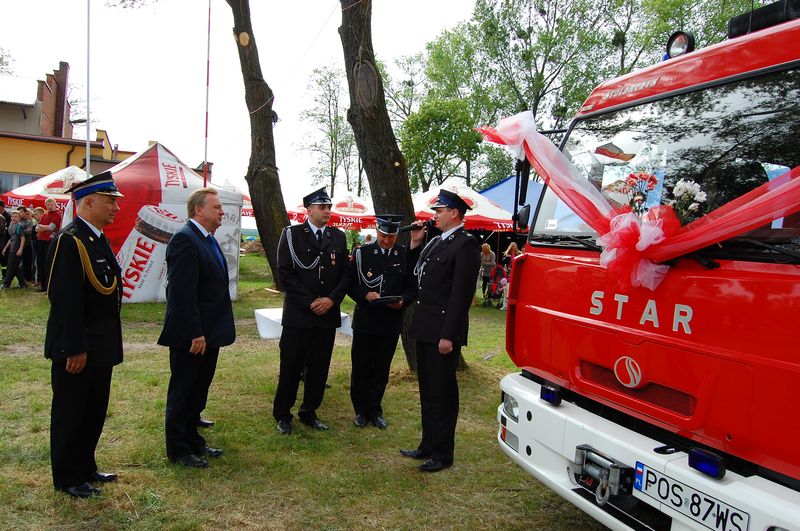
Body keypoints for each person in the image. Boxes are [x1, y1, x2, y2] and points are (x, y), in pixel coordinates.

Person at [44, 171, 124, 498]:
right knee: (71, 412)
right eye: (110, 202)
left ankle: (86, 465)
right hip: (78, 347)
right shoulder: (70, 240)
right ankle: (67, 476)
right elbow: (65, 300)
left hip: (100, 345)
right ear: (88, 202)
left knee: (93, 410)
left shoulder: (96, 238)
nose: (116, 208)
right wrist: (75, 346)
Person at [400, 189, 481, 473]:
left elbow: (460, 295)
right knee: (427, 390)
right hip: (425, 327)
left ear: (454, 213)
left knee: (443, 393)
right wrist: (415, 243)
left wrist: (449, 335)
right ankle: (427, 443)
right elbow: (414, 274)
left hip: (443, 332)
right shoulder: (435, 243)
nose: (434, 215)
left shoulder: (465, 245)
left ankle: (443, 452)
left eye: (439, 211)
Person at [158, 188, 235, 469]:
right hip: (192, 335)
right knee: (183, 391)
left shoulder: (206, 239)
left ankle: (193, 441)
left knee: (198, 391)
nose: (221, 212)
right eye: (216, 207)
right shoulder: (185, 239)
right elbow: (181, 293)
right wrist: (195, 333)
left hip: (209, 331)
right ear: (198, 210)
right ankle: (178, 449)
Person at [273, 187, 350, 434]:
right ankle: (283, 414)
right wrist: (310, 302)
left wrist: (331, 300)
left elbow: (345, 275)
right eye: (322, 207)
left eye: (329, 207)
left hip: (326, 314)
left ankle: (309, 411)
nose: (327, 211)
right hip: (299, 313)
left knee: (319, 367)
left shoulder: (338, 237)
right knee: (291, 366)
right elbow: (284, 272)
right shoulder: (292, 235)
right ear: (309, 210)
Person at [348, 214, 421, 429]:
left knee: (381, 368)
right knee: (361, 366)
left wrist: (403, 301)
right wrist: (364, 295)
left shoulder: (403, 254)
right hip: (366, 320)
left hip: (390, 321)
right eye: (383, 235)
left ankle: (375, 409)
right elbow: (350, 283)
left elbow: (412, 287)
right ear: (377, 231)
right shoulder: (362, 253)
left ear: (396, 235)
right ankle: (360, 410)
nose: (386, 240)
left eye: (390, 236)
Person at [35, 198, 62, 292]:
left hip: (50, 241)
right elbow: (37, 228)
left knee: (48, 263)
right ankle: (43, 285)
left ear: (55, 204)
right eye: (47, 204)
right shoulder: (45, 214)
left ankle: (48, 285)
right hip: (41, 240)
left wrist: (43, 227)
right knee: (40, 262)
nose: (49, 206)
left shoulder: (57, 214)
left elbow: (52, 227)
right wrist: (44, 228)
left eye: (51, 204)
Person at [1, 210, 27, 289]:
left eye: (16, 217)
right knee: (15, 267)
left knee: (11, 267)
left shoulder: (19, 226)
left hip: (17, 249)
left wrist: (20, 249)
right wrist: (5, 248)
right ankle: (23, 284)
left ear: (19, 218)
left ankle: (6, 284)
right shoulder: (11, 225)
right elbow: (11, 238)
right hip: (12, 248)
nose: (13, 218)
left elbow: (23, 238)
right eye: (12, 217)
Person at [16, 206, 35, 284]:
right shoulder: (17, 221)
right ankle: (21, 279)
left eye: (21, 212)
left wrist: (19, 231)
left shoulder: (29, 221)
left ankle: (28, 279)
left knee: (27, 262)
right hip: (17, 245)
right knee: (17, 263)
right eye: (19, 212)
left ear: (25, 212)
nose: (20, 214)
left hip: (27, 245)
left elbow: (29, 231)